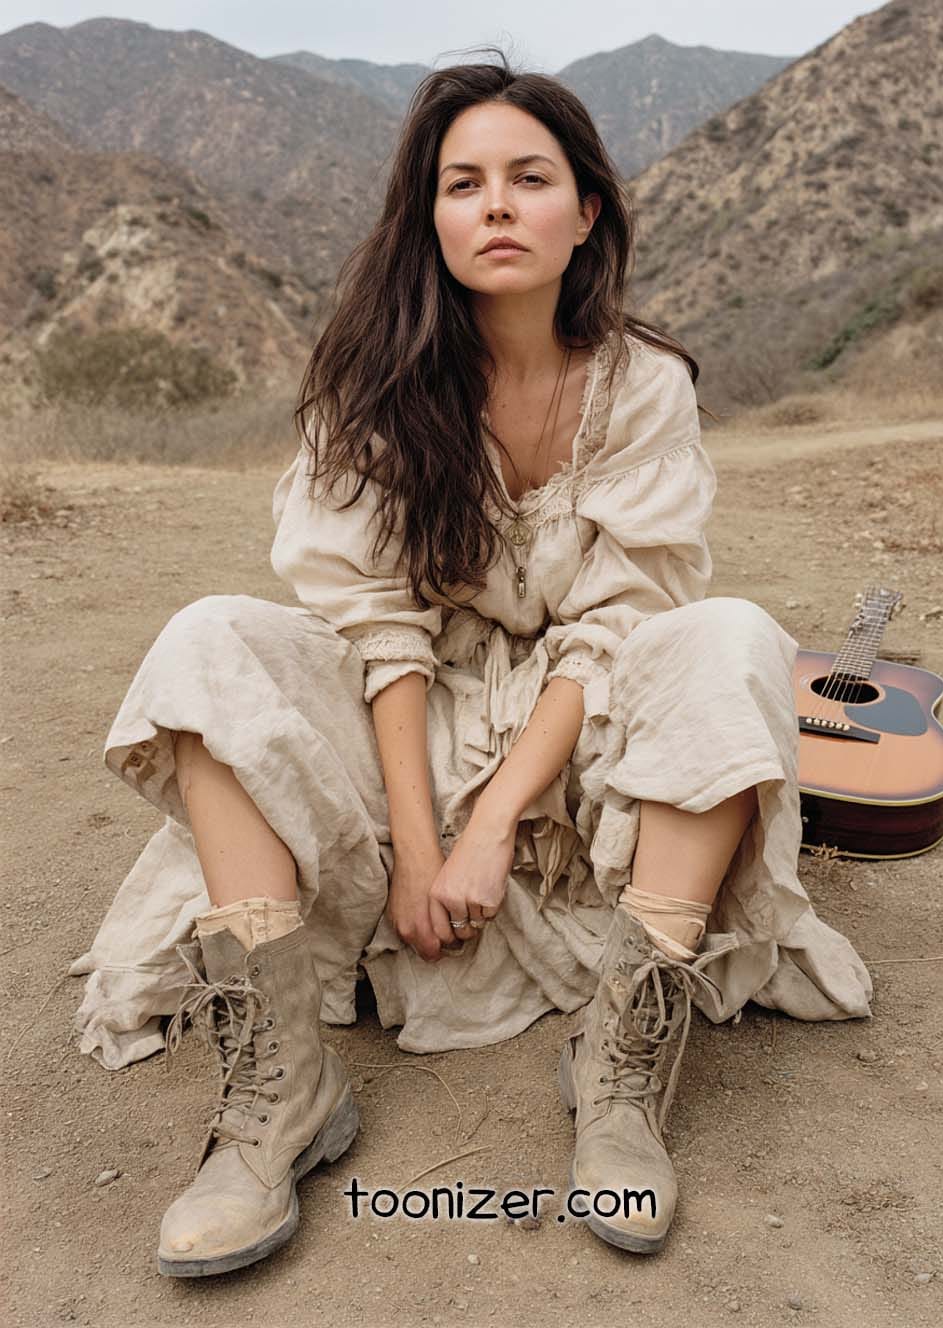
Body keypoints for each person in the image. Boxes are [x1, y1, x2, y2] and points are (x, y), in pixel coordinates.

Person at [69, 51, 873, 1276]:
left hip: (573, 730)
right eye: (463, 183)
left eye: (529, 177)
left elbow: (611, 629)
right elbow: (378, 628)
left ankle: (618, 1073)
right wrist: (422, 843)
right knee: (205, 640)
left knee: (730, 635)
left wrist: (495, 822)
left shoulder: (644, 385)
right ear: (428, 214)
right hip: (411, 713)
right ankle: (283, 1096)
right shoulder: (372, 379)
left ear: (586, 209)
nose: (496, 205)